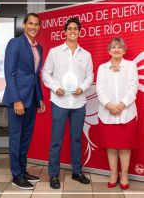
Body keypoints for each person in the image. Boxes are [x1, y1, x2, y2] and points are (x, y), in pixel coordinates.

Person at [42, 17, 94, 189]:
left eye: (76, 29)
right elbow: (45, 73)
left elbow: (90, 76)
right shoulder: (55, 52)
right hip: (59, 101)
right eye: (70, 28)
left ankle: (77, 171)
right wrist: (55, 87)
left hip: (78, 102)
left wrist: (83, 87)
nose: (73, 31)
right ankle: (54, 175)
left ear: (80, 32)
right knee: (56, 140)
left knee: (77, 139)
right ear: (64, 32)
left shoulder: (86, 55)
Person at [2, 13, 46, 190]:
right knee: (16, 138)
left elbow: (36, 75)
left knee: (25, 138)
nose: (33, 27)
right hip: (18, 100)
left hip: (32, 99)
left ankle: (22, 170)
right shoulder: (15, 43)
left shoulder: (39, 47)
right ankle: (16, 176)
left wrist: (40, 97)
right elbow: (9, 73)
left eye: (36, 24)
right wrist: (16, 100)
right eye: (30, 24)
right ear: (24, 24)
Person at [96, 37, 138, 190]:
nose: (116, 49)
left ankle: (125, 175)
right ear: (109, 51)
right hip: (107, 113)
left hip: (127, 113)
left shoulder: (131, 65)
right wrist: (109, 106)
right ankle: (114, 174)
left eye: (119, 47)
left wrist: (121, 105)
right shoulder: (102, 68)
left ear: (124, 51)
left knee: (125, 146)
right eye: (113, 47)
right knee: (111, 146)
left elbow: (133, 87)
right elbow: (99, 90)